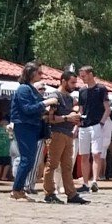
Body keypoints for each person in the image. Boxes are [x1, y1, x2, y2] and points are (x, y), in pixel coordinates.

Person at [40, 71, 86, 205]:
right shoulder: (55, 97)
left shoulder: (70, 99)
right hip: (56, 134)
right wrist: (67, 118)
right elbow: (50, 118)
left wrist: (76, 115)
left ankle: (71, 194)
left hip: (68, 134)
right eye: (72, 82)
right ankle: (49, 193)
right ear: (64, 81)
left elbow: (75, 108)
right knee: (52, 164)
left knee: (67, 166)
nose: (74, 86)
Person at [7, 65, 46, 202]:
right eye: (39, 72)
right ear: (31, 73)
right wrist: (45, 103)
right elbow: (27, 109)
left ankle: (19, 189)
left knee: (29, 160)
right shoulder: (24, 89)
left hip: (32, 127)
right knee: (26, 159)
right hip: (24, 126)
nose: (41, 74)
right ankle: (16, 190)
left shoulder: (31, 89)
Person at [76, 66, 110, 193]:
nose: (82, 78)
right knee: (84, 155)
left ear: (90, 74)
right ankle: (85, 183)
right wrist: (77, 125)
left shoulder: (101, 89)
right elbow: (80, 110)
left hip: (96, 124)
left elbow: (107, 108)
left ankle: (94, 181)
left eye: (83, 75)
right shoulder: (81, 91)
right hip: (84, 125)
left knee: (96, 154)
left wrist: (101, 123)